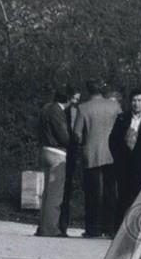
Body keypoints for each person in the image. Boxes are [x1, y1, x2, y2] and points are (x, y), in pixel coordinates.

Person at [75, 79, 122, 238]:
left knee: (92, 193)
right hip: (112, 153)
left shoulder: (83, 108)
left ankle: (92, 228)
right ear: (102, 90)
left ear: (89, 91)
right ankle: (110, 228)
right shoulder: (114, 106)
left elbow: (77, 134)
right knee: (111, 192)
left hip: (92, 153)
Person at [109, 89, 141, 224]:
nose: (136, 104)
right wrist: (118, 159)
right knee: (123, 198)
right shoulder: (122, 118)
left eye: (139, 100)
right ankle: (119, 230)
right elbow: (113, 140)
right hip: (125, 166)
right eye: (133, 100)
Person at [36, 89, 73, 237]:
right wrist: (72, 140)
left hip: (44, 150)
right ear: (68, 99)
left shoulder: (46, 108)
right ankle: (51, 228)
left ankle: (42, 226)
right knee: (55, 194)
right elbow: (64, 137)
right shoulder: (58, 112)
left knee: (46, 193)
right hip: (57, 153)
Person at [59, 85, 82, 236]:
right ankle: (62, 224)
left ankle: (60, 224)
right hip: (70, 152)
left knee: (60, 189)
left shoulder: (60, 110)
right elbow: (76, 134)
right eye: (74, 99)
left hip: (62, 151)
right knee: (65, 188)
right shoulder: (74, 111)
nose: (75, 102)